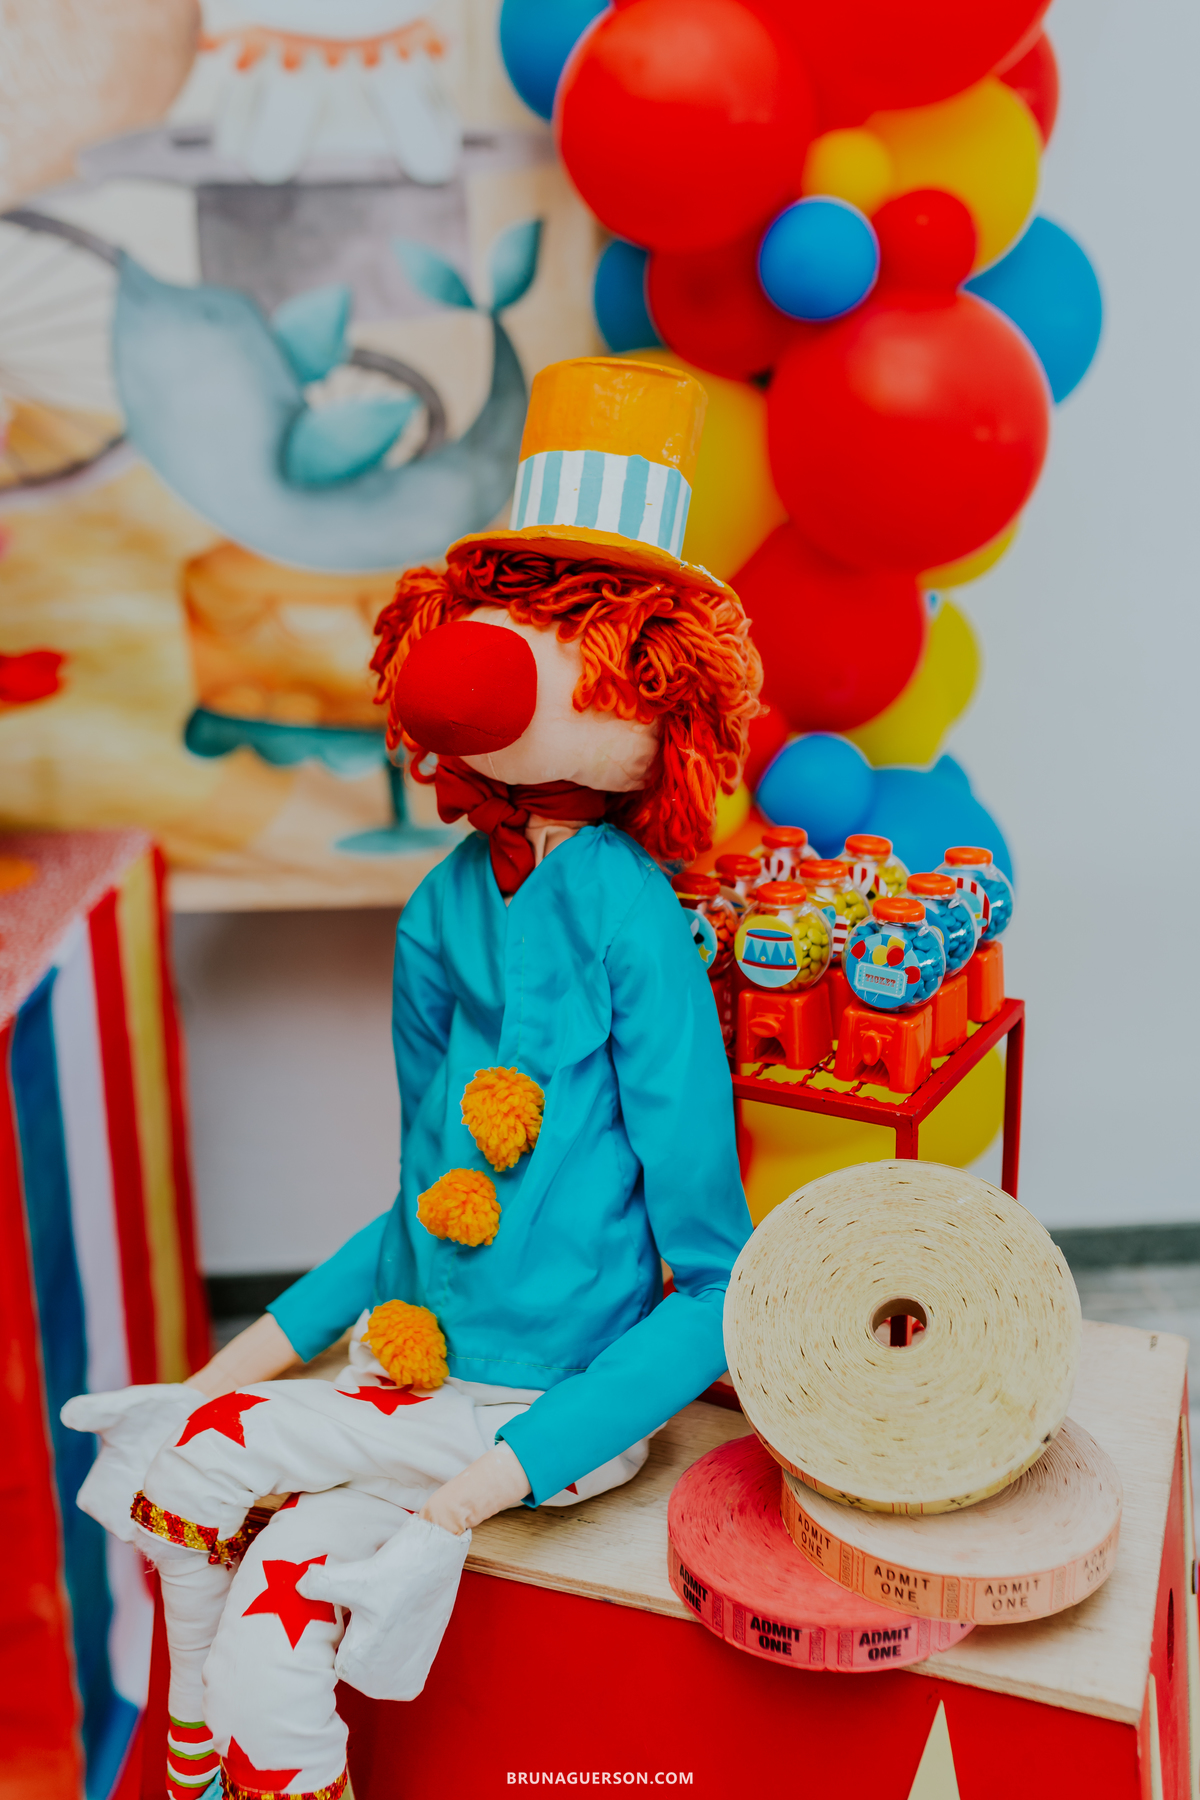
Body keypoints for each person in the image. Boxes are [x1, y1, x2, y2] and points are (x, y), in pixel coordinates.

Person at [65, 356, 759, 1800]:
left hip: (536, 1417)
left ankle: (207, 1695)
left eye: (563, 641)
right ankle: (196, 1728)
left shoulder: (631, 914)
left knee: (218, 1477)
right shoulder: (447, 904)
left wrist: (462, 1501)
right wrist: (222, 1368)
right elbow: (417, 1209)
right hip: (407, 1368)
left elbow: (714, 1288)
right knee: (247, 1592)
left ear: (649, 693)